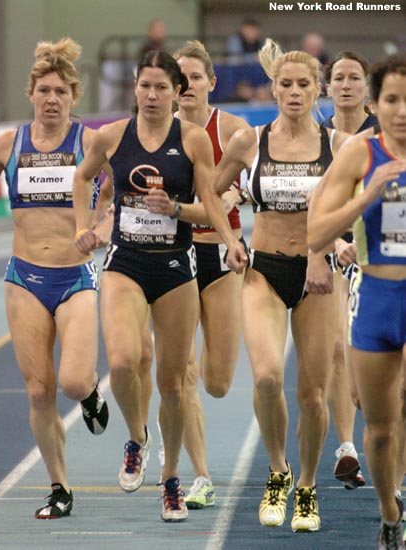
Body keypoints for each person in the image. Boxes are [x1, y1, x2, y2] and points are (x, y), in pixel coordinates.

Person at [72, 50, 247, 523]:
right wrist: (82, 225)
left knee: (173, 385)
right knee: (126, 361)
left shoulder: (192, 140)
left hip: (175, 267)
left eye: (161, 88)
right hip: (124, 263)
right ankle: (137, 438)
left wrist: (231, 241)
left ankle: (171, 478)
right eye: (144, 86)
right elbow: (83, 177)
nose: (151, 95)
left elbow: (209, 197)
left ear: (176, 93)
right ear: (135, 87)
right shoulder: (111, 136)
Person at [0, 37, 109, 520]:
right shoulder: (7, 145)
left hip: (75, 275)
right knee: (38, 390)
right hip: (24, 276)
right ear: (31, 94)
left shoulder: (89, 144)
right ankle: (60, 486)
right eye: (44, 90)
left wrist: (100, 231)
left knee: (74, 381)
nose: (52, 99)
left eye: (61, 91)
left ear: (74, 96)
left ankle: (90, 396)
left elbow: (115, 202)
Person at [212, 38, 351, 532]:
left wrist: (341, 244)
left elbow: (356, 203)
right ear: (273, 89)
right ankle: (278, 471)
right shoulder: (251, 141)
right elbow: (211, 189)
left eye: (303, 85)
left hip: (318, 279)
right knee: (268, 377)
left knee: (313, 394)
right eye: (285, 84)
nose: (294, 92)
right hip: (265, 271)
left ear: (319, 91)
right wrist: (231, 238)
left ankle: (309, 486)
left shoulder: (338, 146)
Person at [308, 53, 406, 550]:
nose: (402, 110)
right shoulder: (359, 155)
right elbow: (317, 231)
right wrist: (365, 198)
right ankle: (391, 511)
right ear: (376, 103)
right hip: (376, 299)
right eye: (392, 99)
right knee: (379, 423)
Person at [171, 40, 251, 509]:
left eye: (195, 78)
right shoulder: (161, 134)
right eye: (179, 79)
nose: (187, 87)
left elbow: (229, 198)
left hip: (222, 258)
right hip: (174, 258)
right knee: (180, 372)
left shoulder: (235, 131)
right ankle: (198, 474)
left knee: (217, 381)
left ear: (211, 83)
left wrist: (193, 207)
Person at [322, 50, 379, 491]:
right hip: (326, 253)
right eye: (338, 77)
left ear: (366, 89)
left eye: (354, 77)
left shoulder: (380, 139)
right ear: (328, 87)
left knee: (372, 381)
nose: (345, 85)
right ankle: (347, 448)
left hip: (374, 258)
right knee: (338, 350)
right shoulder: (312, 137)